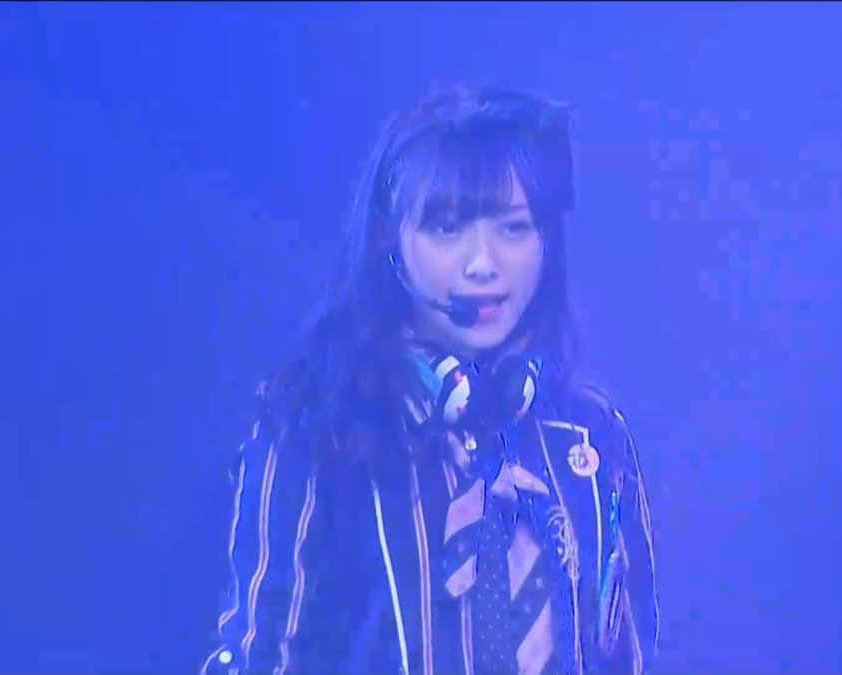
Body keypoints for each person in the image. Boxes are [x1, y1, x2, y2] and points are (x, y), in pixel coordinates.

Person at [201, 85, 660, 674]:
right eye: (447, 228)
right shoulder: (315, 431)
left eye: (514, 228)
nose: (483, 263)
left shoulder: (592, 436)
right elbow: (261, 658)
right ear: (389, 239)